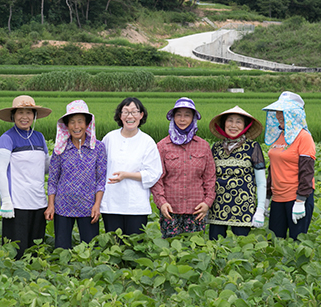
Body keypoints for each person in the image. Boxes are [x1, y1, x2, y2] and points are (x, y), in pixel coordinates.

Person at [45, 100, 107, 249]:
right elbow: (53, 180)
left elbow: (101, 179)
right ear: (67, 125)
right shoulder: (60, 148)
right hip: (63, 206)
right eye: (72, 122)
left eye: (80, 121)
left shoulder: (98, 147)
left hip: (88, 206)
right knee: (61, 249)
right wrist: (51, 205)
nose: (76, 126)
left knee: (90, 249)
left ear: (87, 124)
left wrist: (97, 205)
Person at [150, 97, 216, 239]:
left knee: (195, 252)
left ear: (193, 118)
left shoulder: (203, 146)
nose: (182, 119)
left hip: (197, 209)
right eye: (178, 115)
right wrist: (161, 203)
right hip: (170, 209)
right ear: (172, 118)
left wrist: (207, 202)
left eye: (187, 115)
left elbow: (210, 178)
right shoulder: (162, 146)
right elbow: (157, 178)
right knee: (171, 252)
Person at [0, 95, 52, 258]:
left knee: (35, 251)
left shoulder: (39, 137)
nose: (24, 117)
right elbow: (0, 172)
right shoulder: (7, 139)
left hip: (38, 203)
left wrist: (61, 154)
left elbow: (45, 167)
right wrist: (6, 201)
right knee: (16, 253)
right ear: (13, 115)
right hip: (17, 206)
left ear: (34, 115)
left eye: (29, 112)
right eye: (20, 112)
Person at [100, 97, 162, 235]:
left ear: (141, 115)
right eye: (126, 112)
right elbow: (99, 166)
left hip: (136, 206)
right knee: (113, 246)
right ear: (120, 116)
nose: (130, 116)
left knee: (134, 248)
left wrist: (127, 175)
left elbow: (153, 173)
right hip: (111, 204)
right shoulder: (109, 138)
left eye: (134, 112)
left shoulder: (147, 141)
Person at [207, 106, 266, 240]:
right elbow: (209, 178)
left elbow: (261, 182)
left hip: (243, 207)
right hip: (217, 208)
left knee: (241, 248)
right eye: (230, 121)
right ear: (223, 124)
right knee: (215, 247)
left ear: (245, 125)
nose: (233, 125)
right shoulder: (216, 148)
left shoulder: (253, 147)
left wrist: (260, 209)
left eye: (239, 122)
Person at [263, 91, 316, 240]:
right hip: (278, 197)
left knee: (297, 241)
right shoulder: (279, 135)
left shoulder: (304, 137)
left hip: (296, 197)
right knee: (275, 240)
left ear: (294, 115)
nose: (279, 117)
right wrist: (267, 196)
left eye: (284, 113)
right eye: (278, 113)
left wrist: (300, 201)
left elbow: (307, 171)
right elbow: (273, 167)